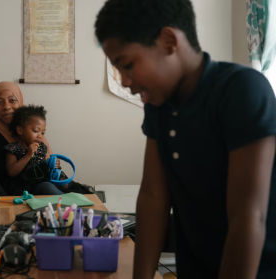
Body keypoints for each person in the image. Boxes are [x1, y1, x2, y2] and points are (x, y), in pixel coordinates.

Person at [95, 0, 276, 278]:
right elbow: (154, 196)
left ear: (169, 41)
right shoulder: (159, 104)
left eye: (127, 65)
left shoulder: (243, 90)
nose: (124, 80)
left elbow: (247, 217)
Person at [0, 82, 62, 196]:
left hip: (39, 194)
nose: (6, 107)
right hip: (2, 199)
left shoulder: (32, 134)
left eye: (12, 100)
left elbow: (50, 169)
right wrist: (8, 205)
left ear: (20, 102)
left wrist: (60, 175)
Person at [4, 105, 65, 192]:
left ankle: (68, 201)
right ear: (20, 130)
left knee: (64, 184)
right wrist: (28, 155)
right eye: (36, 131)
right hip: (27, 189)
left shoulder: (42, 147)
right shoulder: (13, 148)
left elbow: (43, 166)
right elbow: (11, 172)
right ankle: (66, 203)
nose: (40, 135)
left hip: (45, 182)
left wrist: (53, 164)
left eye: (42, 132)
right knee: (47, 187)